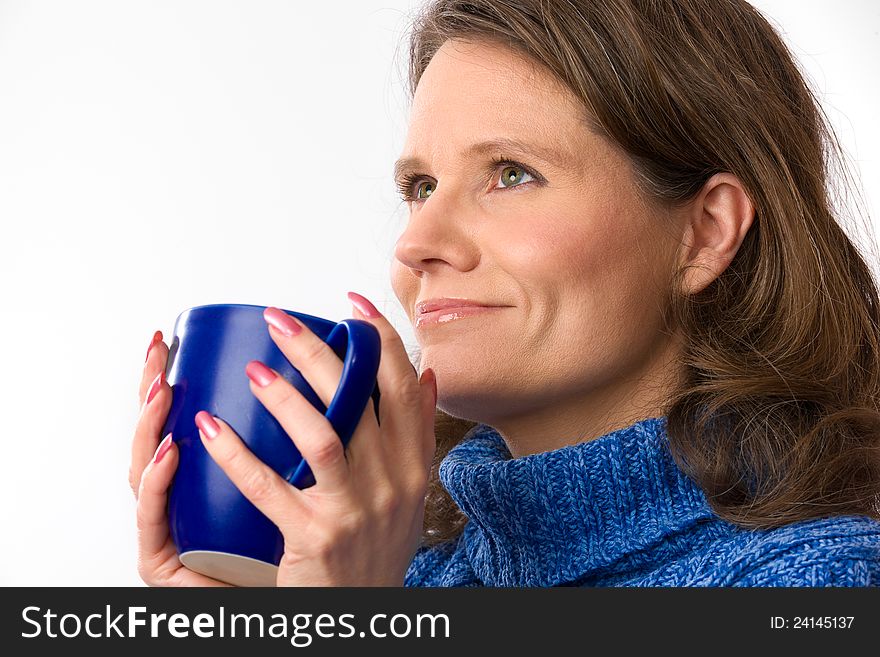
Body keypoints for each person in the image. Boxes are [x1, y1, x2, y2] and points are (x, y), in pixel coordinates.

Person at [129, 0, 880, 587]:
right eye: (420, 187)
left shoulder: (826, 581)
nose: (415, 243)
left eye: (510, 173)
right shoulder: (396, 578)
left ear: (705, 233)